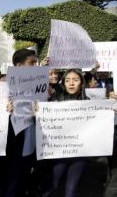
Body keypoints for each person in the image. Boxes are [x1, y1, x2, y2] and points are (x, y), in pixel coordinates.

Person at [42, 69, 89, 197]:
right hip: (58, 152)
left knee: (71, 190)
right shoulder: (54, 100)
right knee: (52, 186)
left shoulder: (89, 103)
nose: (71, 83)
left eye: (75, 80)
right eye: (68, 80)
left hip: (79, 153)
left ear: (81, 83)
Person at [0, 49, 37, 197]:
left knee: (22, 180)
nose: (36, 66)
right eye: (32, 63)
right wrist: (4, 108)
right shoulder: (3, 86)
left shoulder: (38, 85)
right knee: (12, 182)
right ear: (19, 65)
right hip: (13, 145)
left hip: (30, 143)